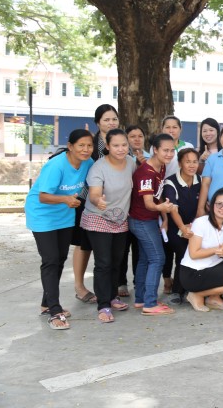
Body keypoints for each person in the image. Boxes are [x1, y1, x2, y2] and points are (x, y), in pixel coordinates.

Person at [25, 129, 95, 330]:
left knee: (60, 258)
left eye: (89, 145)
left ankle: (46, 304)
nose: (86, 149)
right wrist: (65, 199)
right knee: (50, 260)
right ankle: (55, 311)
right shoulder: (56, 165)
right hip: (42, 214)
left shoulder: (88, 163)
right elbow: (43, 196)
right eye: (81, 145)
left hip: (64, 215)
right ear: (70, 146)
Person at [82, 129, 136, 323]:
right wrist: (98, 201)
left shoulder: (131, 163)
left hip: (120, 219)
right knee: (103, 263)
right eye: (116, 145)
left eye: (124, 145)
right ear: (107, 146)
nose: (121, 149)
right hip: (98, 217)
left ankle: (112, 297)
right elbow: (95, 193)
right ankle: (103, 305)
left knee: (116, 261)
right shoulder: (99, 167)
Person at [74, 104, 119, 305]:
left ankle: (111, 289)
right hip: (87, 200)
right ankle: (79, 286)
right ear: (98, 122)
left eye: (114, 119)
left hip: (115, 203)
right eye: (106, 119)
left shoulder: (121, 142)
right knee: (83, 245)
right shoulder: (90, 144)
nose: (111, 123)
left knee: (109, 251)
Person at [129, 133, 178, 315]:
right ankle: (150, 303)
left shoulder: (161, 167)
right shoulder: (146, 173)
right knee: (158, 259)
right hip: (141, 221)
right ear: (155, 150)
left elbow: (159, 196)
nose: (169, 154)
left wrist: (164, 218)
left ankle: (141, 299)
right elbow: (150, 204)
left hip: (150, 220)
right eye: (165, 150)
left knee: (145, 259)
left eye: (172, 150)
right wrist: (162, 209)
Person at [180, 188, 223, 312]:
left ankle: (213, 298)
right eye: (219, 204)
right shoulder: (201, 222)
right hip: (193, 272)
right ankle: (196, 295)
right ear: (212, 205)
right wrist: (218, 249)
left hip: (212, 267)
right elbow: (194, 254)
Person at [161, 148, 201, 305]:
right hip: (173, 226)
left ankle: (184, 288)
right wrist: (183, 229)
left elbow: (203, 206)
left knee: (191, 253)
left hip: (193, 226)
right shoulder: (170, 182)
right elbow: (173, 209)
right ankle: (176, 290)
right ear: (179, 163)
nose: (192, 165)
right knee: (181, 252)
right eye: (187, 162)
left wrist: (193, 226)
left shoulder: (200, 180)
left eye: (195, 161)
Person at [119, 124, 147, 296]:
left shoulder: (150, 157)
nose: (137, 139)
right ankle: (121, 282)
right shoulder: (122, 158)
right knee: (122, 249)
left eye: (140, 136)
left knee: (140, 249)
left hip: (141, 212)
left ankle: (139, 282)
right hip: (123, 211)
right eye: (132, 136)